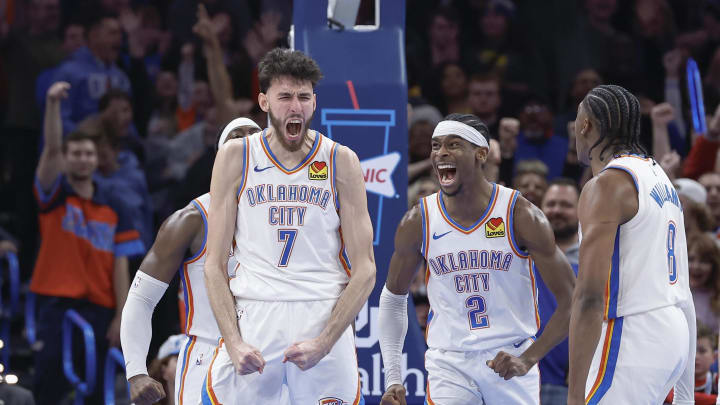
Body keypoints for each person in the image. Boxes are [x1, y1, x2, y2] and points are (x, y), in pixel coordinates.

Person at [202, 48, 375, 404]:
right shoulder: (236, 156)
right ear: (264, 101)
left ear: (314, 102)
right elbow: (214, 265)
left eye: (303, 97)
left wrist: (325, 341)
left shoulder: (341, 161)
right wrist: (234, 343)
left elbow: (366, 270)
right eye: (285, 96)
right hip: (256, 311)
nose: (295, 106)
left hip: (322, 310)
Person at [378, 113, 575, 405]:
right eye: (435, 146)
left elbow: (573, 299)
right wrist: (393, 377)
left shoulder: (520, 214)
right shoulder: (419, 219)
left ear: (481, 154)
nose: (441, 153)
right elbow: (393, 297)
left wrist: (529, 358)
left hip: (510, 356)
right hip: (450, 362)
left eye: (454, 144)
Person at [568, 84, 696, 405]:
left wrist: (573, 395)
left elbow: (588, 297)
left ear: (585, 125)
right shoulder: (659, 176)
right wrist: (686, 392)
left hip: (632, 333)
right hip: (673, 329)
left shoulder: (607, 185)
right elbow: (683, 289)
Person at [120, 118, 261, 405]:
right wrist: (136, 371)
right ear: (220, 154)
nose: (248, 141)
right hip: (208, 358)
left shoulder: (291, 217)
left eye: (256, 135)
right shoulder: (191, 219)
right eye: (237, 136)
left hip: (269, 359)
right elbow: (142, 298)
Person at [31, 81, 143, 405]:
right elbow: (51, 150)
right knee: (48, 387)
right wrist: (53, 105)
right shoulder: (54, 198)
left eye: (88, 154)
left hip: (99, 307)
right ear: (66, 160)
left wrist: (122, 315)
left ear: (97, 160)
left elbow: (122, 264)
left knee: (95, 391)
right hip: (54, 304)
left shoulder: (114, 205)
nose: (82, 159)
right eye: (76, 154)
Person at [537, 178, 582, 404]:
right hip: (522, 379)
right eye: (551, 204)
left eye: (565, 205)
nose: (556, 210)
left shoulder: (599, 261)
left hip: (573, 384)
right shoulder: (524, 256)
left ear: (581, 210)